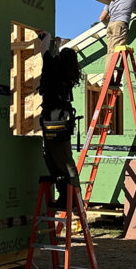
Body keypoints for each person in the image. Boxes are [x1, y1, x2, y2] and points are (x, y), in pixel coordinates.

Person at [37, 32, 81, 208]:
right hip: (60, 123)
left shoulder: (54, 69)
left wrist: (45, 38)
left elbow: (45, 53)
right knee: (60, 159)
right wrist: (57, 45)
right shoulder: (64, 73)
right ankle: (67, 197)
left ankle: (74, 199)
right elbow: (54, 58)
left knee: (58, 161)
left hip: (52, 122)